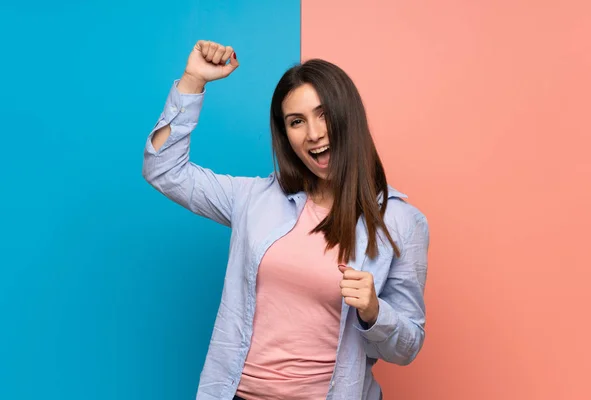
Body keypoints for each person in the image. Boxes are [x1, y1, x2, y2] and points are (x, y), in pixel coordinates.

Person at [142, 40, 429, 400]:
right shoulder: (253, 199)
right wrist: (192, 80)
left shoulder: (402, 222)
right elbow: (163, 170)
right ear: (286, 135)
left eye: (324, 114)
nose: (314, 133)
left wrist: (374, 311)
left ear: (348, 116)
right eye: (297, 121)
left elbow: (408, 346)